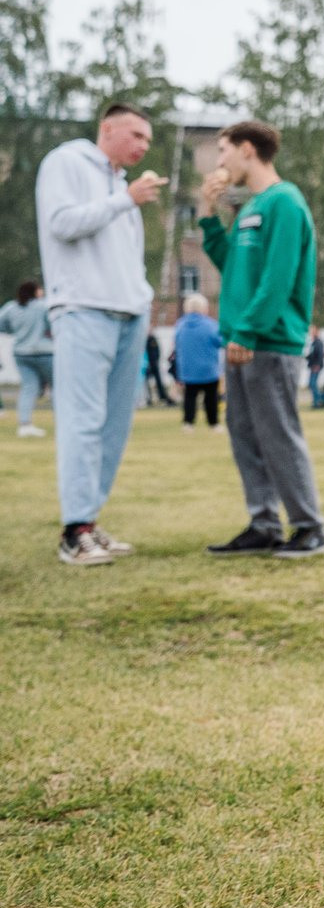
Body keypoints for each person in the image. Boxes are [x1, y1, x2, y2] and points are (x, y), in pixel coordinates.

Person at [197, 120, 324, 559]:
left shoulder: (285, 202)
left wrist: (250, 329)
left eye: (223, 151)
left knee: (278, 434)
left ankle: (311, 527)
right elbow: (233, 264)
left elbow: (278, 277)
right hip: (241, 340)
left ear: (247, 150)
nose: (219, 162)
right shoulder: (252, 207)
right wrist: (207, 212)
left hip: (268, 341)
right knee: (245, 435)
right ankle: (264, 523)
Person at [37, 102, 165, 565]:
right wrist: (124, 200)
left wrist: (143, 296)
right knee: (83, 420)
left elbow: (124, 253)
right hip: (83, 309)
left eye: (148, 140)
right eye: (135, 135)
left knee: (115, 424)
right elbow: (61, 224)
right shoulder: (67, 162)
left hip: (130, 312)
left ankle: (90, 521)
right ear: (106, 128)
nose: (142, 146)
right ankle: (75, 531)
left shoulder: (120, 186)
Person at [0, 279, 55, 437]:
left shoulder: (11, 307)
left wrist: (15, 331)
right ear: (35, 291)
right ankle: (65, 423)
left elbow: (2, 324)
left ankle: (25, 425)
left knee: (28, 388)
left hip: (21, 353)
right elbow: (53, 325)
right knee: (57, 387)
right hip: (46, 352)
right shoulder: (43, 306)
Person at [173, 292, 223, 431]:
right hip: (208, 367)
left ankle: (188, 422)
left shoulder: (180, 325)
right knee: (211, 397)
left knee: (190, 396)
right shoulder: (211, 325)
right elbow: (220, 342)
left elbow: (176, 343)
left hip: (188, 368)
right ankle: (213, 423)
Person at [142, 328, 173, 406]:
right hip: (146, 365)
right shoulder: (142, 340)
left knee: (159, 382)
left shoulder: (153, 339)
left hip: (154, 365)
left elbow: (157, 352)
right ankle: (148, 399)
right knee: (145, 383)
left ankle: (162, 397)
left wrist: (156, 361)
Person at [305, 325, 324, 408]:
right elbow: (312, 355)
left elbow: (320, 355)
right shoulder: (314, 343)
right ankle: (321, 399)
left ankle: (319, 400)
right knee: (312, 384)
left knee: (312, 384)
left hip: (316, 366)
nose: (311, 333)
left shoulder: (318, 342)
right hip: (312, 366)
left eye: (313, 331)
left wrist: (317, 365)